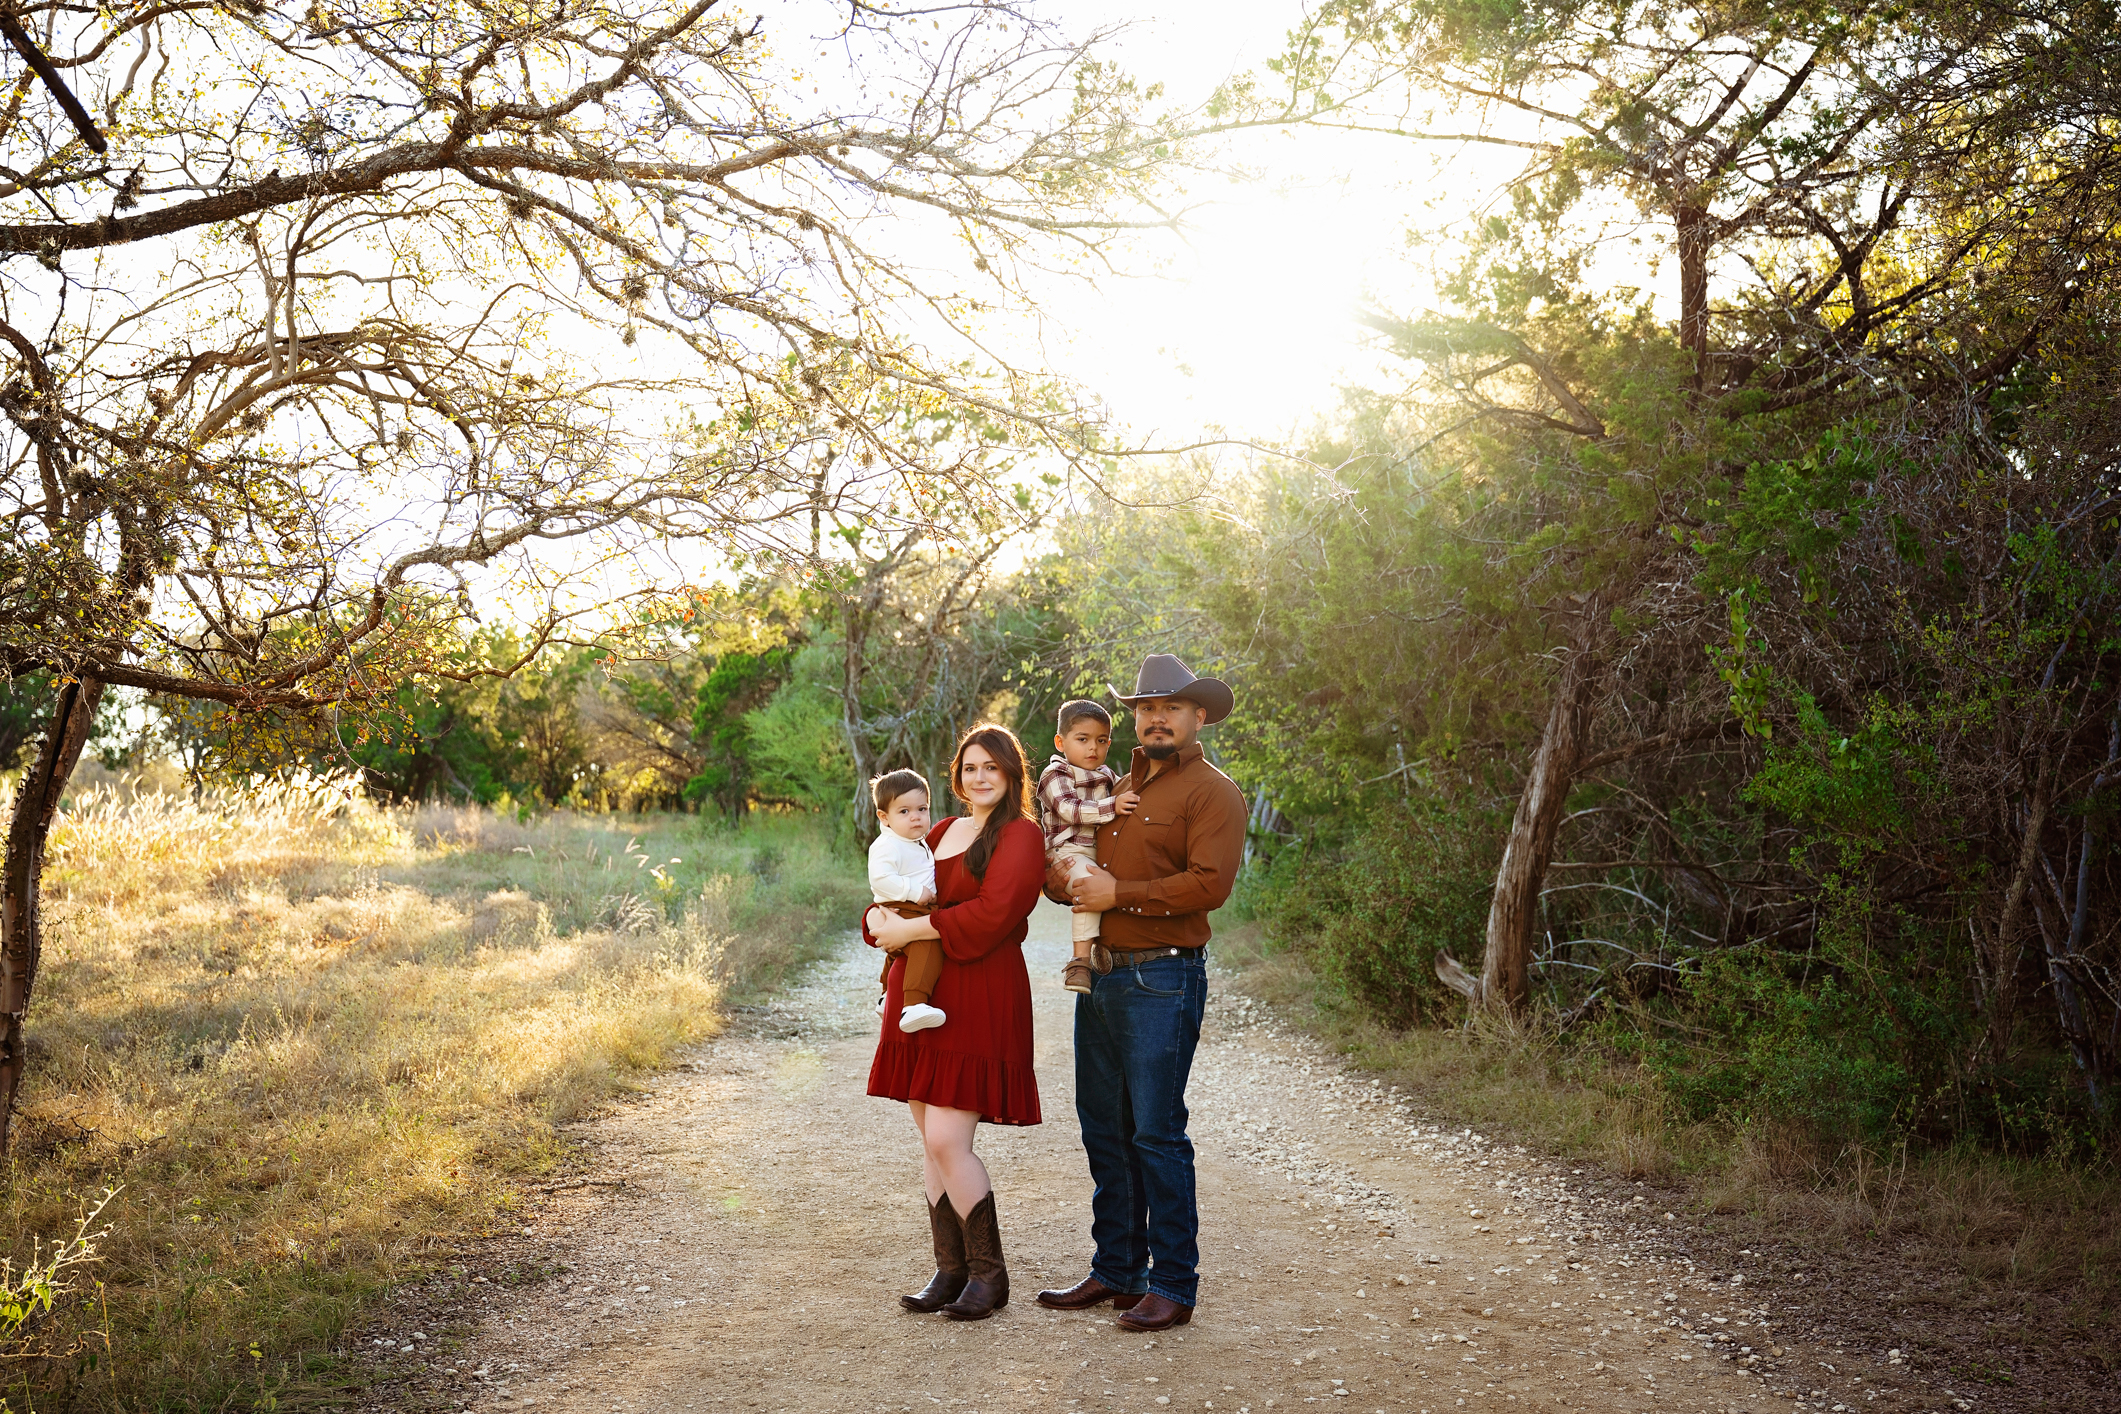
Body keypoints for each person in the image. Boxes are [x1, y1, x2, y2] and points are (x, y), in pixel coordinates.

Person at [1035, 654, 1244, 1333]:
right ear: (1133, 716)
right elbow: (1073, 866)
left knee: (1155, 1131)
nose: (1156, 716)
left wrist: (1117, 894)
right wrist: (1060, 879)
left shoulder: (1213, 793)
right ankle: (1118, 1271)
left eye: (1171, 706)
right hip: (1099, 972)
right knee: (1104, 1127)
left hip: (1163, 975)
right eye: (1145, 706)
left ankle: (1173, 1285)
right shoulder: (1112, 786)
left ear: (1197, 716)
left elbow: (1208, 884)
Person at [864, 723, 1044, 1322]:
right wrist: (877, 921)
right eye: (970, 768)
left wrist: (911, 929)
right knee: (931, 1140)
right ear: (957, 776)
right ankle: (951, 1269)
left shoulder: (1020, 836)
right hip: (922, 1001)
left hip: (981, 993)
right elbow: (897, 893)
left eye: (992, 766)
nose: (980, 776)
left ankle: (990, 1277)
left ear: (1011, 772)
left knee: (947, 1138)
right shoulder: (938, 829)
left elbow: (995, 916)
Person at [1036, 700, 1140, 995]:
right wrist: (1113, 806)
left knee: (1113, 888)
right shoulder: (1055, 775)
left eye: (1101, 740)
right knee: (1091, 887)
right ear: (1061, 742)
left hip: (1097, 853)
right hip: (1067, 852)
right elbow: (1069, 809)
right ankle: (1078, 962)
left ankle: (1102, 953)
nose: (1092, 748)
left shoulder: (1107, 775)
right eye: (1082, 739)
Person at [867, 768, 945, 1032]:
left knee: (898, 954)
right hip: (904, 906)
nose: (916, 817)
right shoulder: (886, 845)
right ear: (884, 817)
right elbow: (880, 879)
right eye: (904, 812)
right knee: (927, 946)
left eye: (922, 809)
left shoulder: (914, 841)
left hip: (910, 906)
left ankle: (887, 995)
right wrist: (915, 891)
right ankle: (913, 1004)